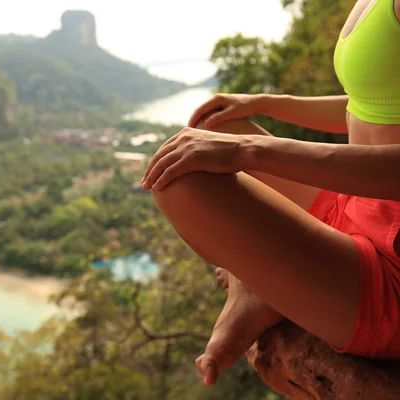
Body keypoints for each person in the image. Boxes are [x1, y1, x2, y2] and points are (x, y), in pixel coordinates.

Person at [141, 0, 400, 387]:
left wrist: (251, 149)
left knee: (182, 181)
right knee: (212, 129)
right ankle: (256, 288)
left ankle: (261, 288)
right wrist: (262, 104)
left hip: (391, 269)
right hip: (357, 203)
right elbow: (374, 103)